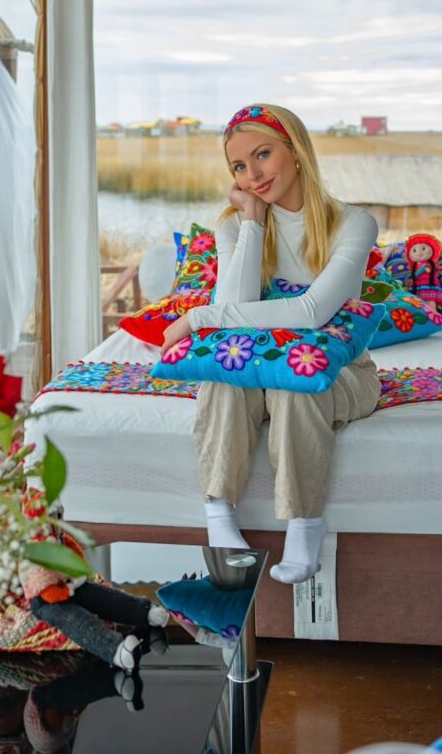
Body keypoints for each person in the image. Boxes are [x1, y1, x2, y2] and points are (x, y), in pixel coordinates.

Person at [161, 103, 381, 585]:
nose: (253, 174)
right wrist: (253, 223)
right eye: (239, 166)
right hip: (255, 361)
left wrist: (196, 316)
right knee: (224, 376)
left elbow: (311, 314)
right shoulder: (233, 225)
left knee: (295, 379)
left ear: (296, 151)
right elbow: (232, 317)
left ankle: (304, 524)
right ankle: (219, 516)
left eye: (263, 155)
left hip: (342, 369)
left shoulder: (354, 223)